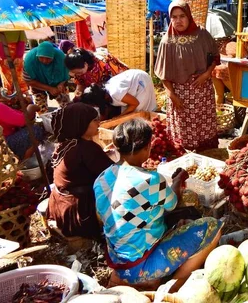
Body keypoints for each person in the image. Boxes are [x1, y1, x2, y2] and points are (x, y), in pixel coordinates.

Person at [94, 118, 222, 289]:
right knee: (213, 227)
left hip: (117, 260)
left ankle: (128, 277)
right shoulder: (150, 180)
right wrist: (177, 181)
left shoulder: (101, 179)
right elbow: (173, 204)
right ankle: (174, 286)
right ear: (147, 147)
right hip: (139, 266)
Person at [154, 0, 219, 151]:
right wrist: (171, 95)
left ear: (189, 16)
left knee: (205, 127)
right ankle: (185, 158)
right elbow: (164, 74)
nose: (178, 21)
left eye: (182, 16)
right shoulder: (166, 41)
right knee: (183, 130)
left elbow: (215, 57)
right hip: (180, 95)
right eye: (174, 17)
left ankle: (207, 154)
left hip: (203, 92)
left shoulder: (202, 34)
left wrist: (207, 74)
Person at [47, 103, 114, 238]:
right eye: (94, 120)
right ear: (81, 123)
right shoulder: (86, 148)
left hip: (59, 205)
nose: (99, 122)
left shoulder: (67, 143)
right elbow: (113, 173)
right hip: (79, 212)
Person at [0, 78, 43, 160]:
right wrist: (31, 107)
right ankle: (24, 161)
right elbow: (23, 120)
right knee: (36, 130)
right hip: (3, 144)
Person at [79, 69, 157, 119]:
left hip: (141, 81)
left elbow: (135, 103)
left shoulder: (115, 93)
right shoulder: (106, 93)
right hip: (134, 81)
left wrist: (120, 117)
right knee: (127, 113)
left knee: (139, 114)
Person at [23, 41, 71, 113]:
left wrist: (61, 83)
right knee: (41, 109)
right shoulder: (29, 61)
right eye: (41, 58)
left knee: (66, 107)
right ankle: (44, 121)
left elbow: (67, 73)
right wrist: (49, 88)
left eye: (48, 58)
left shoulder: (61, 58)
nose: (45, 61)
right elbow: (28, 81)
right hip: (37, 83)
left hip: (57, 82)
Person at [64, 48, 129, 96]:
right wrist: (78, 91)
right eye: (74, 73)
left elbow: (119, 81)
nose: (77, 75)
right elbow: (80, 83)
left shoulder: (104, 62)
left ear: (85, 64)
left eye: (79, 73)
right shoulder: (78, 69)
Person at [0, 31, 29, 96]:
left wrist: (4, 58)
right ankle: (22, 96)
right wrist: (19, 56)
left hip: (4, 53)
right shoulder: (17, 22)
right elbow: (22, 41)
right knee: (17, 76)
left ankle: (12, 96)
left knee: (9, 78)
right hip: (14, 52)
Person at [212, 40, 237, 105]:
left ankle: (218, 112)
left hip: (214, 68)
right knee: (236, 94)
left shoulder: (219, 45)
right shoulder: (234, 44)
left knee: (218, 94)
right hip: (224, 70)